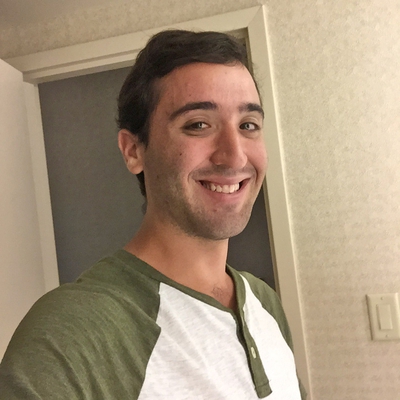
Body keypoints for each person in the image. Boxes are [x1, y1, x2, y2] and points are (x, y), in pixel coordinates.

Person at [0, 30, 306, 399]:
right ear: (133, 151)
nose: (235, 155)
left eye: (248, 125)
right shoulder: (72, 334)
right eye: (198, 124)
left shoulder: (264, 301)